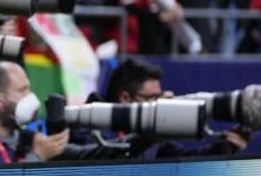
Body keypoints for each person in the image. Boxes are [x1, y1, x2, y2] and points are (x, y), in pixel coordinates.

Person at [104, 58, 249, 157]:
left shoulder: (152, 138)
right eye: (152, 98)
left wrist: (227, 148)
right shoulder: (94, 130)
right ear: (125, 98)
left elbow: (187, 163)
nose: (158, 104)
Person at [0, 61, 71, 165]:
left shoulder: (26, 138)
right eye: (22, 90)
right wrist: (38, 155)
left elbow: (82, 154)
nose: (30, 97)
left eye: (29, 89)